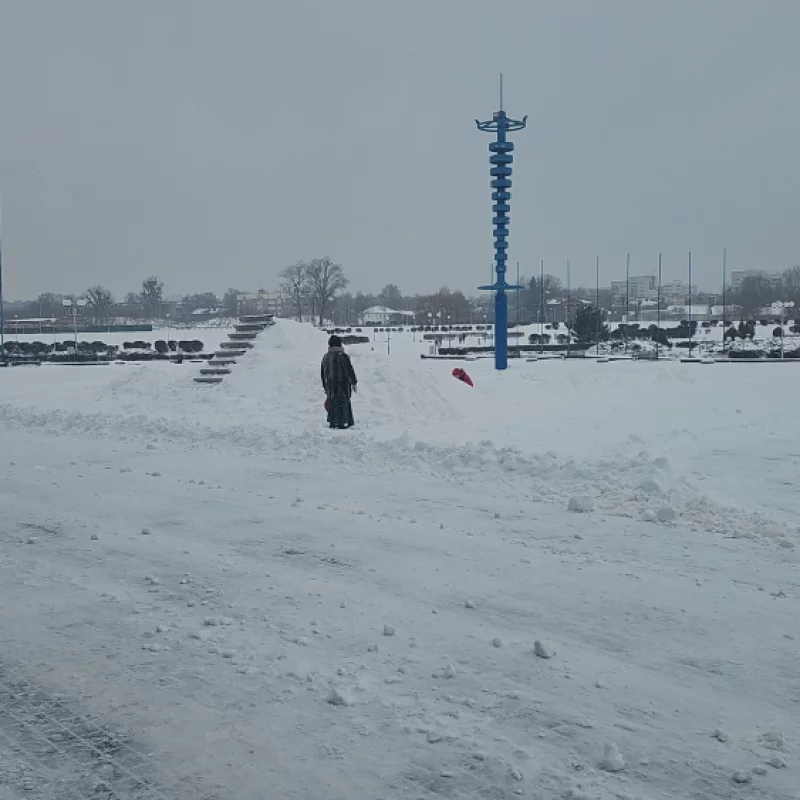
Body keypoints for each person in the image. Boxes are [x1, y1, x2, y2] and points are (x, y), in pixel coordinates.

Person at [321, 335, 357, 429]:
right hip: (342, 386)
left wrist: (325, 386)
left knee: (333, 404)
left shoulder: (325, 357)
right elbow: (349, 370)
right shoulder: (342, 356)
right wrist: (353, 382)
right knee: (343, 404)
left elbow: (322, 374)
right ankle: (343, 423)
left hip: (330, 387)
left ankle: (333, 422)